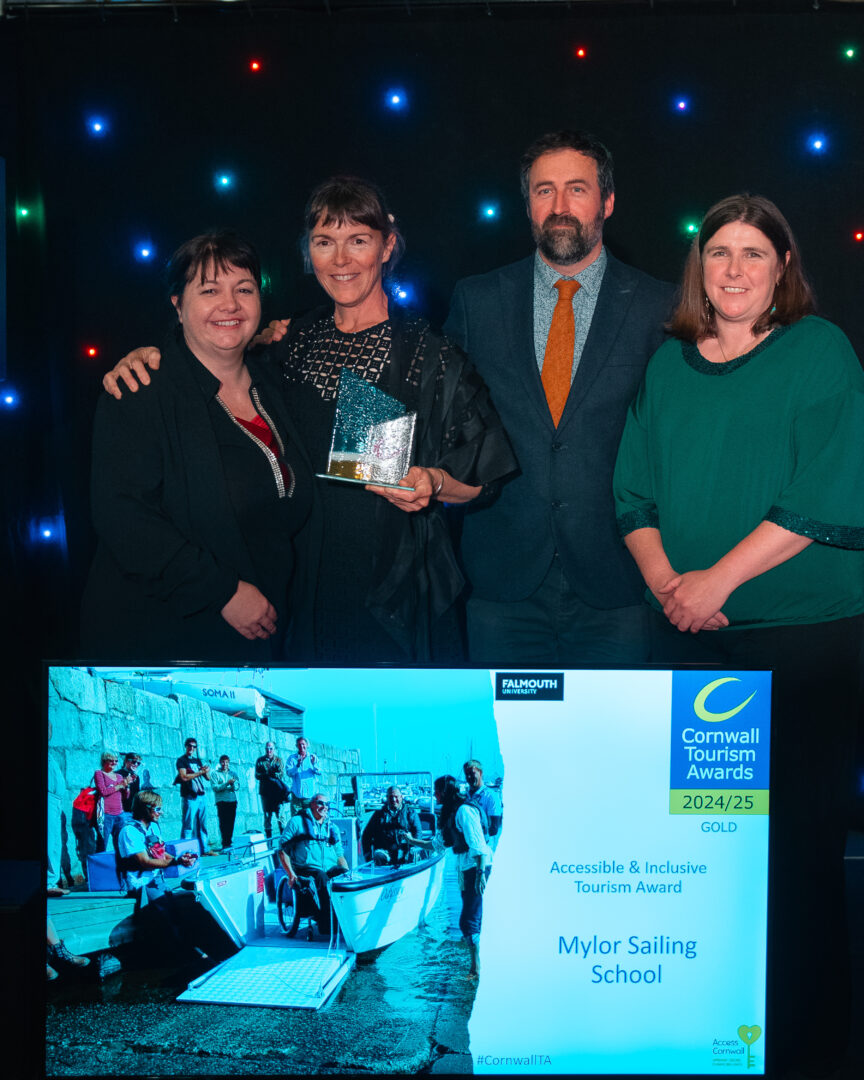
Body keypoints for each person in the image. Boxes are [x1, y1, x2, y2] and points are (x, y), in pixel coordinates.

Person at [612, 193, 864, 1077]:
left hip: (804, 648)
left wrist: (715, 579)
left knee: (795, 861)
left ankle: (803, 1047)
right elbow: (633, 491)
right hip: (691, 642)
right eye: (719, 253)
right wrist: (667, 586)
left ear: (783, 268)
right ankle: (719, 1040)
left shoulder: (819, 352)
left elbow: (832, 492)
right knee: (710, 854)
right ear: (700, 270)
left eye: (754, 254)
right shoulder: (671, 365)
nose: (734, 270)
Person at [103, 177, 516, 663]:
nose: (341, 260)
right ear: (309, 252)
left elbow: (483, 478)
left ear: (387, 246)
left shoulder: (429, 354)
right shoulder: (290, 340)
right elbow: (209, 347)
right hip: (296, 591)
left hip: (392, 592)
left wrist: (433, 481)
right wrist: (152, 355)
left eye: (358, 240)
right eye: (325, 242)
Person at [443, 130, 675, 665]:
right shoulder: (476, 301)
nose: (561, 206)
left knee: (615, 749)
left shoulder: (659, 307)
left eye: (577, 189)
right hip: (502, 579)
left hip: (619, 581)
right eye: (544, 190)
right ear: (527, 204)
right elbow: (444, 417)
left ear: (608, 201)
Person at [81, 230, 315, 661]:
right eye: (210, 290)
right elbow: (123, 518)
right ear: (178, 304)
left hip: (267, 640)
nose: (230, 304)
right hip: (165, 642)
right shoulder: (141, 389)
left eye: (243, 289)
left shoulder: (277, 382)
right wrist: (222, 591)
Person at [117, 791, 233, 963]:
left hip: (157, 880)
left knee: (183, 909)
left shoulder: (153, 827)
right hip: (140, 883)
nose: (160, 812)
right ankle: (190, 954)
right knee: (167, 917)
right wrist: (175, 862)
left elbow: (162, 855)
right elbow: (144, 862)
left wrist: (181, 860)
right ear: (145, 809)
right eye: (157, 808)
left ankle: (201, 947)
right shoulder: (129, 832)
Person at [435, 775, 492, 978]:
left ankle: (476, 969)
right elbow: (439, 844)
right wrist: (411, 840)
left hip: (476, 867)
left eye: (437, 791)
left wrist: (479, 874)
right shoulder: (453, 812)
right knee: (469, 917)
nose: (435, 795)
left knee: (469, 919)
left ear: (445, 792)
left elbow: (478, 844)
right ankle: (476, 963)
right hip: (466, 867)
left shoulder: (464, 811)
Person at [278, 793, 348, 937]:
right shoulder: (297, 822)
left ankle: (346, 919)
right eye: (321, 803)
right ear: (312, 804)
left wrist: (348, 874)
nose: (324, 807)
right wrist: (291, 875)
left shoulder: (332, 827)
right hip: (306, 868)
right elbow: (282, 850)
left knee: (343, 876)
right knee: (321, 877)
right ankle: (326, 925)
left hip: (329, 868)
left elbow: (339, 854)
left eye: (327, 804)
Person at [361, 786, 422, 865]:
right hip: (385, 851)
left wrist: (415, 849)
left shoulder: (411, 813)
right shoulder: (379, 815)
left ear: (401, 797)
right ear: (387, 798)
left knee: (414, 855)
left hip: (406, 850)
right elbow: (366, 835)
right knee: (378, 855)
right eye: (391, 797)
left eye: (396, 797)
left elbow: (418, 832)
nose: (393, 800)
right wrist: (367, 855)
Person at [175, 736, 211, 854]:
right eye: (189, 746)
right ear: (186, 746)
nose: (191, 748)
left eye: (194, 746)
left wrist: (205, 772)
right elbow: (184, 777)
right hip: (190, 796)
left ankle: (204, 849)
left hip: (201, 795)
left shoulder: (197, 760)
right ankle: (185, 851)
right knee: (188, 825)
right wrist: (200, 772)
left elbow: (207, 778)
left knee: (202, 824)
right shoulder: (181, 760)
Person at [93, 750, 132, 853]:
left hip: (119, 814)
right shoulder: (99, 773)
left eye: (116, 761)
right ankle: (99, 867)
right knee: (102, 844)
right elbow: (103, 792)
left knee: (120, 843)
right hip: (106, 815)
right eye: (111, 761)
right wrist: (120, 785)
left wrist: (126, 786)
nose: (114, 763)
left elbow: (125, 797)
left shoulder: (119, 776)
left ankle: (120, 866)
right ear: (104, 761)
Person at [462, 759, 502, 849]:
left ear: (480, 773)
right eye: (466, 774)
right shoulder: (465, 796)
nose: (469, 777)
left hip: (484, 849)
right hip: (468, 850)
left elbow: (494, 828)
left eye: (472, 773)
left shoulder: (491, 796)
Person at [255, 740, 289, 839]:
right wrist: (267, 774)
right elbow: (257, 775)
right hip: (265, 792)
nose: (269, 751)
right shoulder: (260, 760)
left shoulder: (278, 760)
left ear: (274, 749)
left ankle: (284, 841)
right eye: (267, 749)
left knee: (281, 817)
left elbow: (281, 774)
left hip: (277, 793)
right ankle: (269, 841)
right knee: (267, 816)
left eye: (271, 749)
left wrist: (274, 774)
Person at [210, 754, 239, 851]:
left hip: (232, 800)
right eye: (223, 762)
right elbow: (215, 788)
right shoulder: (215, 774)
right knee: (223, 823)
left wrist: (233, 784)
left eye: (226, 762)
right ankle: (225, 843)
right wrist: (227, 783)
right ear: (220, 762)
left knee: (231, 822)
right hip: (221, 801)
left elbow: (237, 787)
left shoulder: (233, 774)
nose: (225, 764)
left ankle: (229, 842)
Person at [285, 736, 321, 816]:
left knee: (309, 819)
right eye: (299, 745)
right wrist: (297, 765)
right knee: (295, 819)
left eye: (303, 744)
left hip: (309, 796)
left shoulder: (313, 757)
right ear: (296, 746)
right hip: (296, 796)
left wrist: (313, 764)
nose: (302, 746)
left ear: (307, 745)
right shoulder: (292, 758)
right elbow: (289, 773)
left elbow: (319, 772)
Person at [116, 752, 142, 826]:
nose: (136, 765)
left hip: (132, 810)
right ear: (126, 761)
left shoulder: (136, 777)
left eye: (138, 763)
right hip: (120, 810)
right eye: (134, 762)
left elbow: (137, 794)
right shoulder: (117, 774)